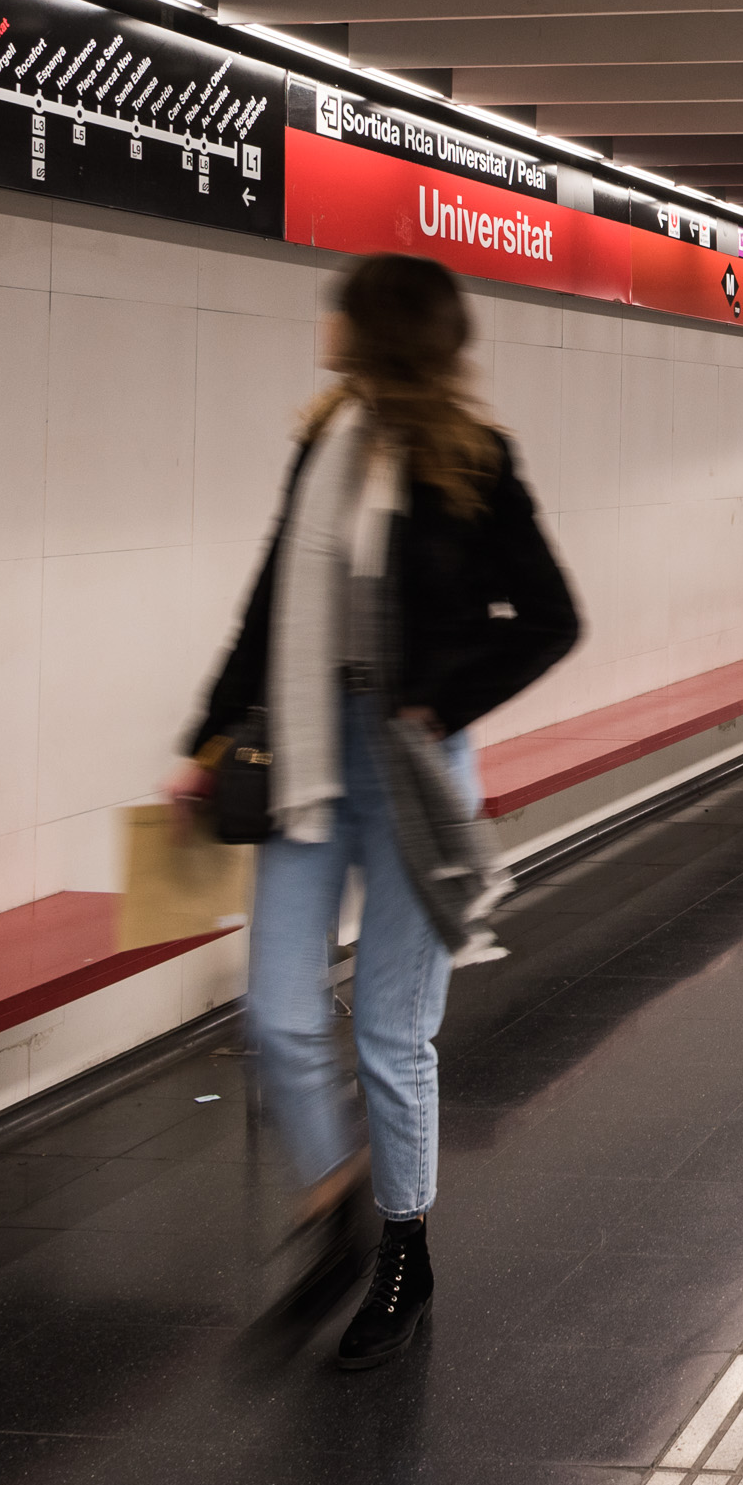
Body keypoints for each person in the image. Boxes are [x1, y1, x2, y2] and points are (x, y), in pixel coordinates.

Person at [168, 253, 580, 1370]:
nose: (327, 322)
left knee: (392, 1029)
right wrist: (206, 737)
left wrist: (441, 694)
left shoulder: (476, 464)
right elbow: (267, 604)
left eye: (342, 309)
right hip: (306, 759)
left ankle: (404, 1241)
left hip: (410, 770)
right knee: (278, 1011)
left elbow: (549, 616)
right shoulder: (324, 446)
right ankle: (334, 1200)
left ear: (383, 330)